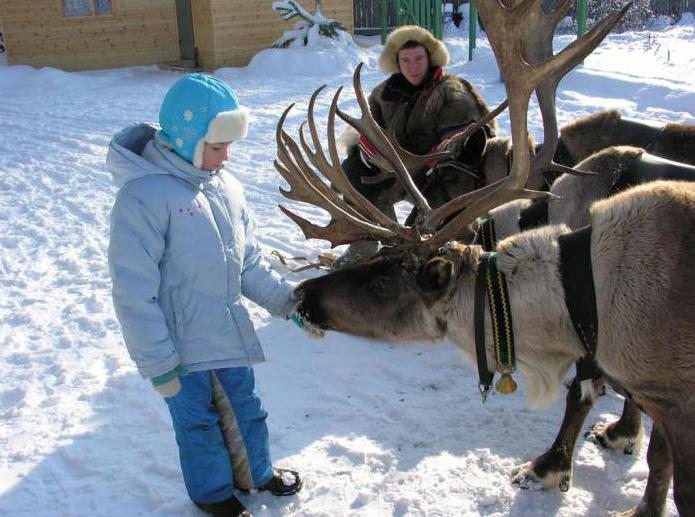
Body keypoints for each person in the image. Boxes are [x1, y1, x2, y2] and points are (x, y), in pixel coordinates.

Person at [107, 73, 321, 517]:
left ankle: (256, 474)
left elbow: (248, 263)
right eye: (217, 146)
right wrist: (158, 363)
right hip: (179, 349)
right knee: (199, 424)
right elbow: (132, 292)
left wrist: (288, 303)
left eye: (229, 147)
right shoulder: (143, 197)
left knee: (247, 409)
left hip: (226, 335)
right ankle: (212, 494)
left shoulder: (226, 187)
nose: (226, 157)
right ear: (187, 138)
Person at [335, 25, 496, 267]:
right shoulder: (384, 94)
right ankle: (366, 246)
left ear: (430, 58)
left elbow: (464, 138)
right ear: (396, 62)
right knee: (354, 169)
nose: (413, 66)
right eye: (405, 60)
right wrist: (372, 155)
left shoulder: (452, 90)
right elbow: (369, 132)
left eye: (419, 58)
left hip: (442, 175)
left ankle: (451, 250)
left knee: (423, 244)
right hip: (400, 171)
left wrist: (437, 157)